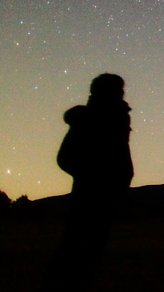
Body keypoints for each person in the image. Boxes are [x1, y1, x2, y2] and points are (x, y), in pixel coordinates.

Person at [41, 73, 134, 291]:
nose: (123, 93)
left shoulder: (112, 115)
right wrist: (94, 177)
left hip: (101, 191)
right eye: (119, 89)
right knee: (81, 247)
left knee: (83, 247)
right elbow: (67, 157)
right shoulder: (95, 117)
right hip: (94, 193)